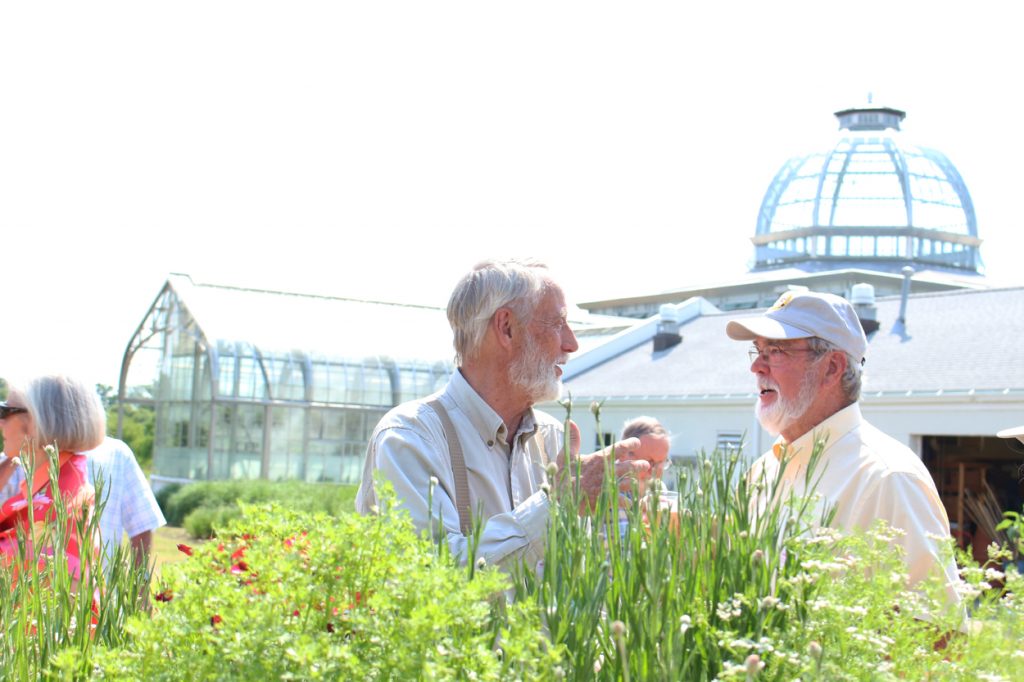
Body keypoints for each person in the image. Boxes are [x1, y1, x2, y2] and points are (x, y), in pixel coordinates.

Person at [356, 259, 652, 568]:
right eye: (557, 323)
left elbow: (578, 575)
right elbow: (427, 575)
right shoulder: (410, 437)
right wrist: (555, 505)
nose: (572, 343)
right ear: (506, 328)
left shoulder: (553, 439)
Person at [725, 290, 961, 601]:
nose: (757, 368)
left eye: (777, 351)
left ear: (833, 368)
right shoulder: (763, 471)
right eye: (757, 351)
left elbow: (937, 637)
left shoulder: (890, 479)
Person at [0, 375, 105, 579]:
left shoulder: (63, 510)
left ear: (37, 421)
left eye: (5, 411)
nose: (1, 422)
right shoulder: (60, 492)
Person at [621, 416, 671, 482]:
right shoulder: (606, 487)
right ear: (623, 456)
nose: (654, 472)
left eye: (661, 462)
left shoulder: (660, 488)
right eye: (649, 462)